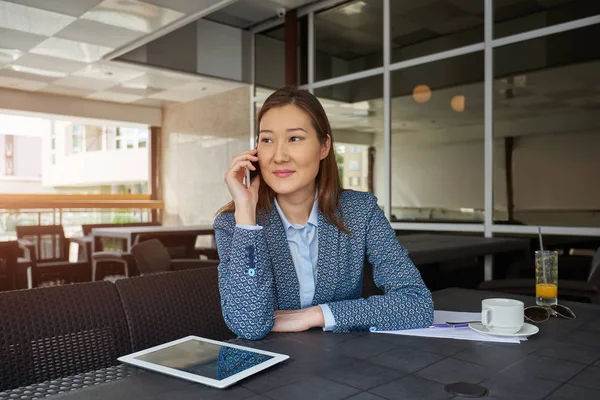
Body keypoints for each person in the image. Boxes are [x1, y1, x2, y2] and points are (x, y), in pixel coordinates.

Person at [214, 87, 433, 340]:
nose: (279, 156)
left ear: (324, 147)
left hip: (343, 366)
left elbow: (417, 304)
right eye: (267, 140)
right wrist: (246, 219)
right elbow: (248, 325)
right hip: (271, 371)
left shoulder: (359, 211)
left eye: (294, 138)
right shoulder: (234, 225)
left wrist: (316, 315)